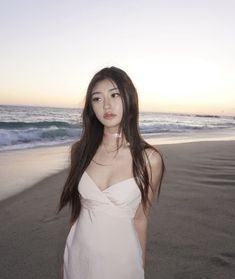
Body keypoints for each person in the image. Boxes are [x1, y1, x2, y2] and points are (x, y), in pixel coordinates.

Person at [58, 66, 165, 279]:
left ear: (129, 98)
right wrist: (66, 261)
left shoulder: (149, 160)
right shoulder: (80, 151)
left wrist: (140, 266)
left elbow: (141, 219)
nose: (106, 105)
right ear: (91, 107)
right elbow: (77, 212)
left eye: (114, 95)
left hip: (122, 261)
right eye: (97, 99)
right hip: (79, 255)